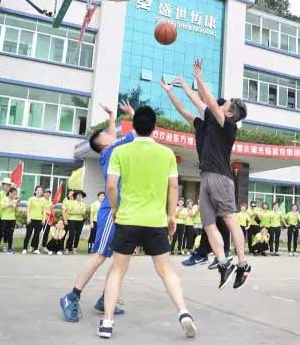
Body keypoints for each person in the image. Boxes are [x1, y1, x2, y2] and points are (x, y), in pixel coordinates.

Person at [97, 106, 197, 339]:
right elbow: (174, 186)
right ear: (155, 127)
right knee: (166, 271)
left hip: (128, 218)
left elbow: (111, 185)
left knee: (117, 271)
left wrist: (115, 208)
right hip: (155, 221)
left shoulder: (120, 152)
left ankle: (107, 323)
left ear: (134, 126)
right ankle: (183, 312)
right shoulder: (166, 153)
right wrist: (171, 215)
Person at [161, 67, 251, 289]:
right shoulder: (208, 120)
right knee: (209, 224)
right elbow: (192, 104)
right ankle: (222, 263)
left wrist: (199, 78)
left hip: (221, 177)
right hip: (206, 177)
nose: (220, 104)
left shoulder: (228, 125)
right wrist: (176, 89)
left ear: (229, 113)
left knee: (230, 220)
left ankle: (243, 263)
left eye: (225, 104)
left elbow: (208, 101)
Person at [60, 101, 133, 323]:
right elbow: (139, 131)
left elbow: (114, 135)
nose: (113, 134)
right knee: (100, 255)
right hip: (112, 211)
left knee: (122, 258)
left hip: (123, 211)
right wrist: (132, 114)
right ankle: (71, 296)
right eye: (108, 134)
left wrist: (112, 117)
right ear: (102, 142)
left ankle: (105, 299)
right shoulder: (113, 150)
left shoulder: (111, 150)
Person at [23, 185, 48, 254]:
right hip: (31, 219)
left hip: (39, 220)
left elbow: (44, 210)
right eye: (38, 190)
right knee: (28, 234)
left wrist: (43, 219)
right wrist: (28, 218)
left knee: (37, 235)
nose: (39, 191)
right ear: (35, 191)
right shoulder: (31, 199)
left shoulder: (43, 200)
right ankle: (24, 248)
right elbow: (28, 209)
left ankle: (36, 249)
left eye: (41, 190)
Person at [0, 178, 12, 253]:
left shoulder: (10, 194)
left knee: (6, 232)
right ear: (3, 185)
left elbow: (16, 197)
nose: (7, 186)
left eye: (9, 185)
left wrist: (14, 187)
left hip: (6, 216)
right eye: (6, 185)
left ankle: (5, 246)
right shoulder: (0, 193)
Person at [64, 190, 86, 255]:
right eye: (78, 195)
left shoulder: (83, 204)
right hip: (72, 220)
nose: (79, 196)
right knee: (71, 235)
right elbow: (68, 212)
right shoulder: (71, 203)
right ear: (75, 196)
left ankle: (75, 248)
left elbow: (83, 212)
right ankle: (67, 248)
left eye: (81, 195)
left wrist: (75, 212)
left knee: (78, 235)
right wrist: (77, 212)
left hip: (80, 221)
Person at [0, 187, 18, 254]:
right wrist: (11, 203)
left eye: (15, 194)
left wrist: (16, 205)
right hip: (5, 218)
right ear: (10, 192)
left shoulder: (14, 200)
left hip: (12, 219)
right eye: (13, 194)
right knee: (3, 233)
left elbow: (15, 210)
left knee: (10, 234)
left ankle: (9, 248)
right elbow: (2, 207)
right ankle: (0, 247)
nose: (14, 195)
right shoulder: (4, 199)